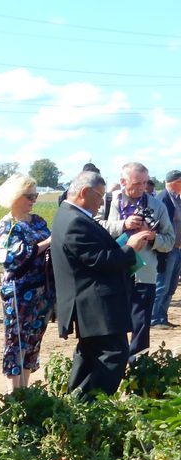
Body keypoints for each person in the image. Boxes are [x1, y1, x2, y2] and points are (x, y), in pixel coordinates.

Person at [52, 170, 149, 397]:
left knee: (89, 355)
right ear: (85, 192)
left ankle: (72, 406)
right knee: (114, 354)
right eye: (100, 197)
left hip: (91, 302)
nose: (101, 204)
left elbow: (94, 252)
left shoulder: (68, 214)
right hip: (94, 303)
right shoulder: (76, 220)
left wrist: (125, 243)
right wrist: (130, 249)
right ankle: (88, 407)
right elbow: (99, 261)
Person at [97, 162, 174, 358]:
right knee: (113, 325)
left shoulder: (157, 205)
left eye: (145, 183)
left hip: (144, 274)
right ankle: (115, 367)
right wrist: (123, 224)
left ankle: (138, 371)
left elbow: (170, 240)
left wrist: (151, 237)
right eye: (136, 183)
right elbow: (93, 228)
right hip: (114, 271)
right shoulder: (107, 201)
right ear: (122, 181)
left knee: (141, 326)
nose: (141, 188)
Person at [0, 173, 54, 390]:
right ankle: (14, 392)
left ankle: (25, 390)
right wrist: (46, 244)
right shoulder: (7, 225)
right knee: (16, 341)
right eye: (29, 196)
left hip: (43, 290)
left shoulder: (38, 221)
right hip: (19, 293)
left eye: (35, 195)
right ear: (15, 196)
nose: (33, 200)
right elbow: (11, 259)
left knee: (33, 341)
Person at [152, 169, 181, 328]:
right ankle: (155, 318)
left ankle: (162, 316)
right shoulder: (162, 199)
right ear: (176, 182)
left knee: (171, 285)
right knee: (162, 283)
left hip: (176, 248)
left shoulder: (176, 198)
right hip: (166, 249)